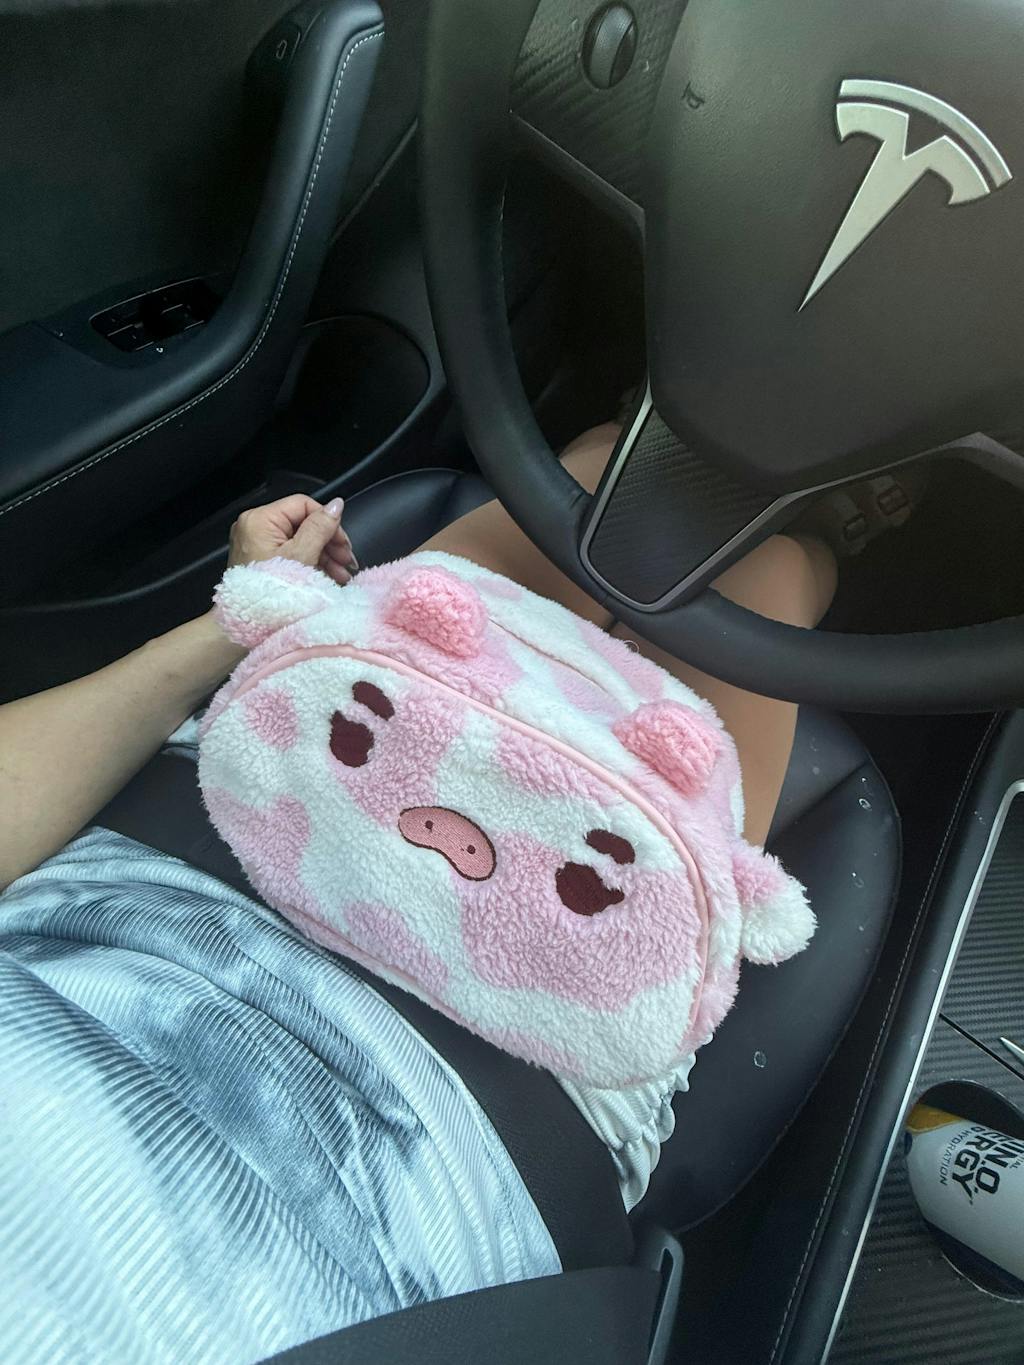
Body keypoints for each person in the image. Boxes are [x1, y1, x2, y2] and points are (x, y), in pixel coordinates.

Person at [0, 427, 835, 1363]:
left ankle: (825, 500)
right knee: (758, 568)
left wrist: (236, 627)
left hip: (225, 829)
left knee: (629, 477)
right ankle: (833, 507)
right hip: (510, 1066)